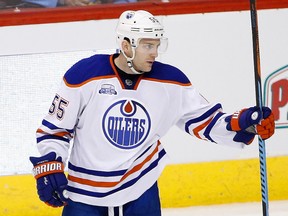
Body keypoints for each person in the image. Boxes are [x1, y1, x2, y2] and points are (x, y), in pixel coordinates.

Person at [29, 10, 275, 216]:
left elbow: (205, 122)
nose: (154, 53)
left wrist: (243, 123)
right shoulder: (84, 76)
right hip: (84, 194)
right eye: (148, 45)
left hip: (140, 187)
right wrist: (51, 164)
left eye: (157, 45)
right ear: (126, 45)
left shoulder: (171, 81)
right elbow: (55, 130)